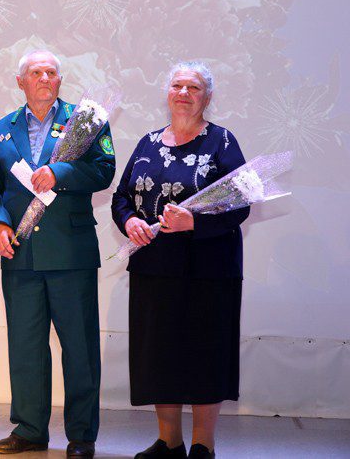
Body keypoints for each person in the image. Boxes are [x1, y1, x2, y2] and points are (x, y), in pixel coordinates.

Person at [111, 61, 249, 459]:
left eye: (193, 87)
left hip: (210, 270)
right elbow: (121, 197)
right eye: (177, 86)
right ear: (167, 93)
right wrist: (130, 220)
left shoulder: (222, 142)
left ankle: (203, 445)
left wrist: (194, 223)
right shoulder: (148, 142)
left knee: (206, 353)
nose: (184, 93)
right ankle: (169, 442)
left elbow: (242, 202)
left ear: (207, 97)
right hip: (154, 269)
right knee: (159, 355)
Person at [0, 50, 115, 458]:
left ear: (60, 80)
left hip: (70, 252)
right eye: (35, 72)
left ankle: (81, 435)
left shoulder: (87, 119)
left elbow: (104, 170)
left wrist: (59, 173)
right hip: (20, 254)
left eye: (51, 72)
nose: (44, 78)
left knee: (79, 347)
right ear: (20, 81)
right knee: (25, 346)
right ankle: (29, 429)